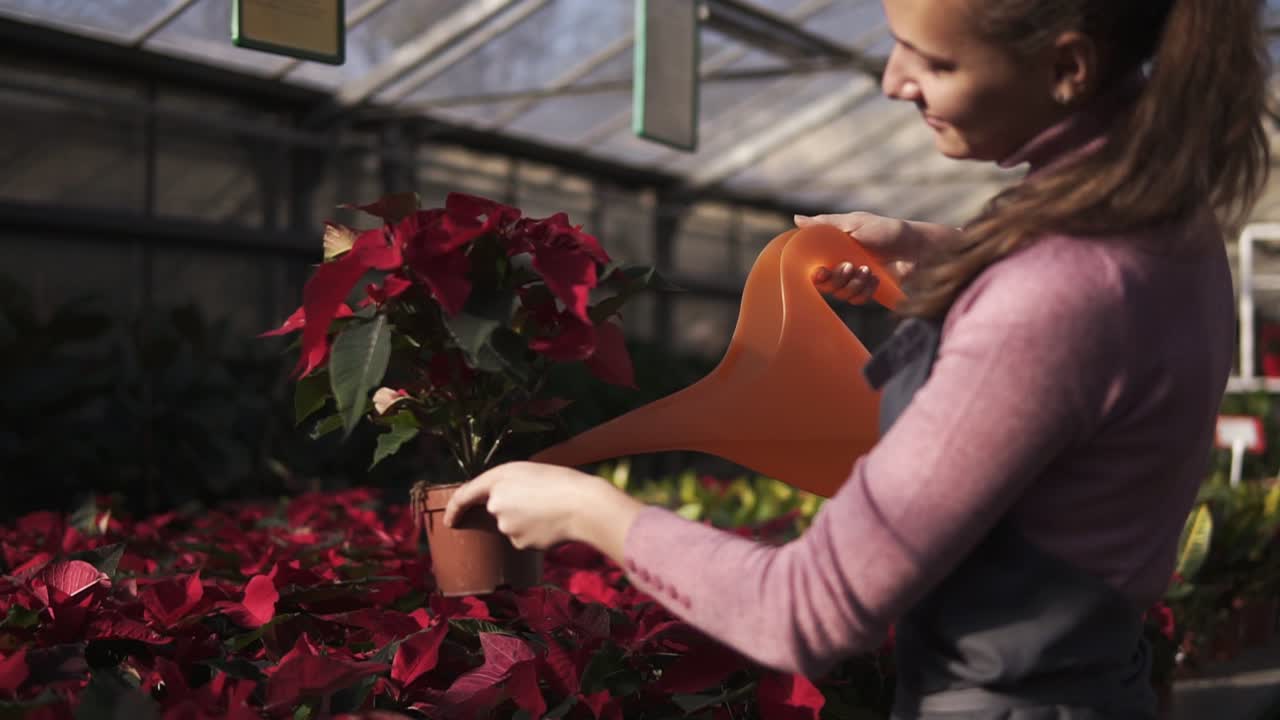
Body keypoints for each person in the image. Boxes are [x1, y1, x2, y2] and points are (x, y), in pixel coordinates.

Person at [444, 0, 1270, 716]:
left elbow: (806, 611)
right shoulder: (1163, 216)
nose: (892, 80)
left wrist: (588, 512)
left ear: (1068, 67)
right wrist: (940, 260)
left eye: (933, 60)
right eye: (895, 39)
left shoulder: (1053, 293)